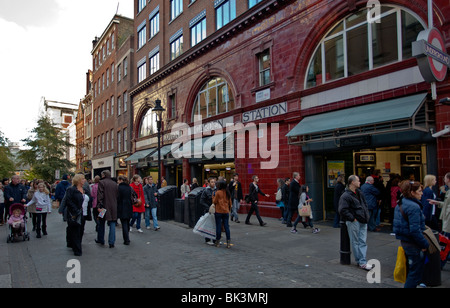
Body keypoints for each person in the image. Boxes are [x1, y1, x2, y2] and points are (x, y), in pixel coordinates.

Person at [393, 180, 429, 288]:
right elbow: (415, 230)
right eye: (419, 191)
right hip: (413, 244)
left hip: (406, 241)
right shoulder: (414, 207)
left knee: (412, 271)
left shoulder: (401, 202)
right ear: (412, 192)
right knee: (414, 273)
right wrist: (424, 244)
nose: (422, 193)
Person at [338, 175, 372, 271]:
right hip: (355, 222)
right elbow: (342, 209)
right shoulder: (346, 195)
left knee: (362, 241)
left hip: (363, 220)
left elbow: (364, 204)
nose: (360, 182)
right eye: (358, 180)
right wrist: (353, 218)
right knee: (356, 241)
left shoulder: (359, 193)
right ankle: (361, 261)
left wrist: (366, 215)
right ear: (352, 182)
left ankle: (361, 261)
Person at [428, 172, 450, 268]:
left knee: (444, 242)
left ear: (448, 179)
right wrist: (437, 203)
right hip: (447, 220)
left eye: (445, 178)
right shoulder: (448, 191)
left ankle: (440, 263)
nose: (443, 180)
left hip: (448, 220)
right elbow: (446, 204)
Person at [64, 174, 88, 256]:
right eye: (82, 179)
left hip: (82, 212)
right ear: (78, 180)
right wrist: (75, 210)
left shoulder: (84, 189)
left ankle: (74, 244)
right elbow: (68, 201)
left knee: (80, 230)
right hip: (73, 213)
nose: (84, 180)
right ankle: (77, 249)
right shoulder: (71, 189)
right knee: (75, 231)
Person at [96, 170, 119, 248]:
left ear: (103, 175)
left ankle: (101, 239)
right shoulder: (115, 184)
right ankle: (111, 242)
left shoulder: (101, 182)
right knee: (112, 223)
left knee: (101, 222)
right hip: (113, 206)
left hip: (104, 206)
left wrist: (99, 205)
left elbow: (100, 195)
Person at [213, 180, 232, 248]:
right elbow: (230, 203)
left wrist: (213, 196)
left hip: (218, 211)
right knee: (226, 226)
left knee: (218, 226)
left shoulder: (218, 192)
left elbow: (214, 201)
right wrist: (228, 210)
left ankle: (217, 242)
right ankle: (228, 243)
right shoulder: (228, 192)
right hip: (226, 211)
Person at [200, 177, 217, 245]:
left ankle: (214, 239)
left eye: (214, 182)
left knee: (214, 225)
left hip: (215, 210)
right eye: (212, 182)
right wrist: (208, 207)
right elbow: (201, 201)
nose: (213, 183)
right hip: (208, 210)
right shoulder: (206, 191)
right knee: (208, 225)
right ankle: (207, 239)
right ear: (209, 183)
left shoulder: (216, 190)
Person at [117, 175, 133, 245]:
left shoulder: (119, 188)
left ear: (121, 180)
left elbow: (117, 198)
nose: (117, 181)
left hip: (121, 207)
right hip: (129, 206)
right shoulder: (129, 187)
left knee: (124, 224)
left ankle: (126, 239)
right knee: (127, 222)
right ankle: (127, 235)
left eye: (118, 180)